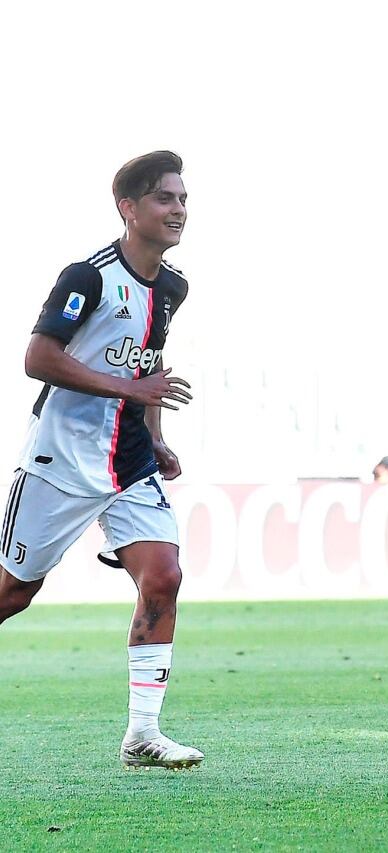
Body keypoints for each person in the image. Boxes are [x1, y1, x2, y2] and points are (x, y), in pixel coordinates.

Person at [0, 151, 202, 767]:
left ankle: (143, 734)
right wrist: (130, 392)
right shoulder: (86, 277)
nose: (179, 210)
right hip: (61, 459)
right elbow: (39, 357)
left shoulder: (172, 287)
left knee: (163, 577)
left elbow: (146, 365)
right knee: (10, 594)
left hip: (128, 462)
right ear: (129, 208)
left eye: (184, 199)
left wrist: (155, 432)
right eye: (166, 198)